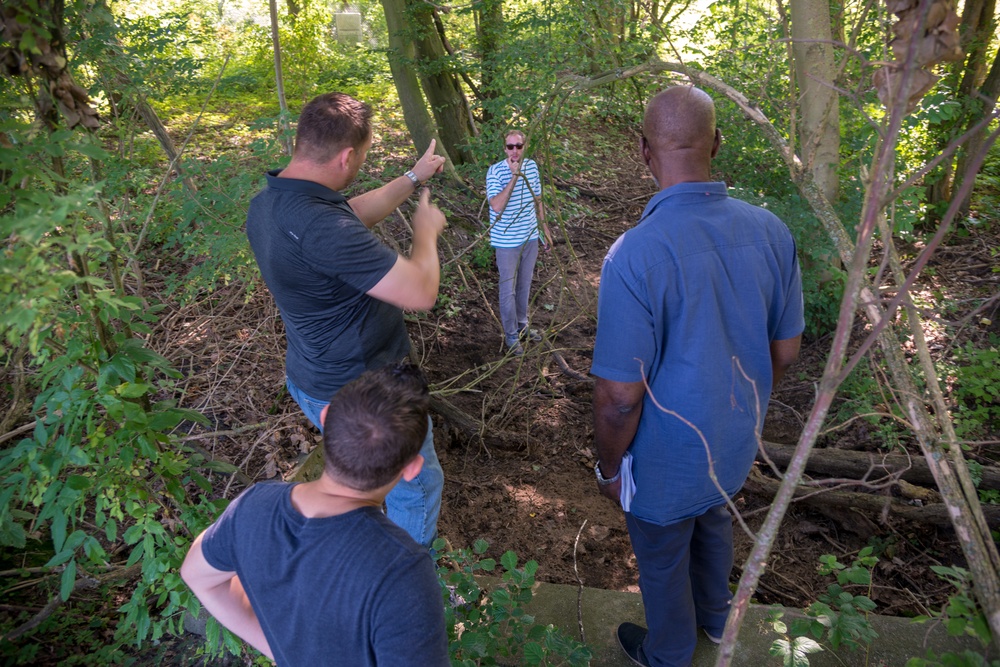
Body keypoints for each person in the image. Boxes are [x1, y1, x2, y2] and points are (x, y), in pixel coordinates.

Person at [590, 86, 804, 667]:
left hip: (663, 458)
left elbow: (617, 396)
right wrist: (746, 412)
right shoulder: (771, 231)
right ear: (717, 142)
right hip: (734, 439)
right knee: (714, 521)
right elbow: (785, 349)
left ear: (643, 151)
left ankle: (669, 655)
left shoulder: (633, 255)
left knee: (661, 559)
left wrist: (610, 467)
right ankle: (716, 623)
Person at [245, 92, 446, 548]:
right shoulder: (319, 227)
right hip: (364, 396)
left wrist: (413, 177)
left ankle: (364, 547)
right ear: (347, 156)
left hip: (314, 379)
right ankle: (402, 578)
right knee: (417, 486)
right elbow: (420, 291)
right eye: (363, 157)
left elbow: (351, 216)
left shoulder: (273, 205)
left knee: (362, 479)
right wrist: (425, 232)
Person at [181, 363, 450, 666]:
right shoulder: (403, 570)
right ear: (412, 468)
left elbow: (197, 575)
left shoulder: (252, 506)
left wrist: (280, 650)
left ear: (324, 419)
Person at [485, 130, 552, 356]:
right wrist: (514, 176)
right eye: (510, 146)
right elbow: (496, 206)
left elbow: (538, 199)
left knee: (525, 285)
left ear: (524, 147)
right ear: (505, 148)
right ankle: (511, 336)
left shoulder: (532, 167)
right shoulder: (495, 172)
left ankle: (523, 328)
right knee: (508, 290)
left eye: (519, 146)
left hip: (530, 237)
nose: (515, 150)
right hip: (506, 242)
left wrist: (544, 229)